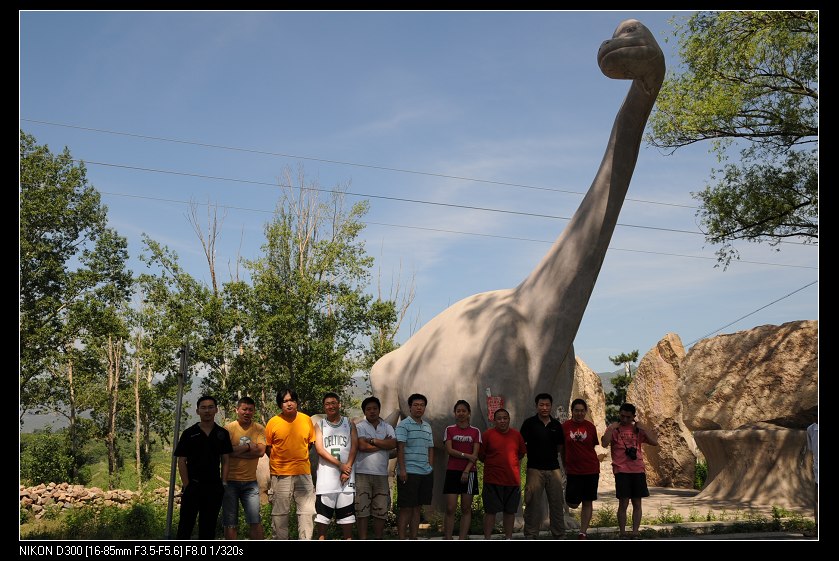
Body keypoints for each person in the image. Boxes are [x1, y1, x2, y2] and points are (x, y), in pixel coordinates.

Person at [175, 395, 233, 539]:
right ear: (197, 411)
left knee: (208, 528)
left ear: (216, 410)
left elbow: (226, 459)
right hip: (193, 486)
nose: (207, 411)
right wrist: (187, 485)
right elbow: (182, 461)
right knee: (185, 527)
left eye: (210, 407)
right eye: (203, 408)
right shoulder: (189, 434)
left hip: (214, 487)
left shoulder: (222, 434)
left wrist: (223, 482)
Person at [264, 388, 316, 540]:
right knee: (280, 515)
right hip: (280, 475)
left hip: (303, 473)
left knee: (307, 513)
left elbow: (309, 444)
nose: (288, 404)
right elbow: (269, 448)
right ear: (280, 404)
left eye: (291, 400)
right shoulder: (273, 422)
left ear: (296, 402)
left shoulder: (306, 420)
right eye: (285, 401)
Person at [601, 402, 658, 539]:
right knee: (623, 502)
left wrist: (643, 427)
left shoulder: (638, 430)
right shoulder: (614, 429)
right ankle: (622, 532)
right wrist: (610, 429)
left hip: (637, 469)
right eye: (622, 416)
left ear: (633, 417)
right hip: (621, 470)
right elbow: (604, 443)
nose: (624, 419)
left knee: (637, 502)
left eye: (628, 417)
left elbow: (654, 441)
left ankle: (635, 532)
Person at [519, 392, 567, 539]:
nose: (544, 408)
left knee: (557, 503)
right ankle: (531, 535)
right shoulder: (529, 423)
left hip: (554, 469)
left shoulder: (556, 425)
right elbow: (521, 444)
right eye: (541, 405)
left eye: (547, 405)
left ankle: (559, 534)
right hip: (534, 469)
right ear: (536, 406)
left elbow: (560, 447)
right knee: (532, 503)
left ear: (551, 406)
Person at [313, 392, 358, 540]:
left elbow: (354, 446)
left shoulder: (349, 423)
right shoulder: (320, 425)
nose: (331, 406)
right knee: (322, 522)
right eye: (327, 404)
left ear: (339, 404)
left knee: (347, 521)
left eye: (333, 403)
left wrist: (347, 468)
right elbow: (319, 449)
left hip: (346, 479)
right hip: (326, 479)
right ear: (324, 407)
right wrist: (341, 465)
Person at [222, 396, 266, 540]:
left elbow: (260, 452)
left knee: (255, 521)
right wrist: (248, 447)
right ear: (237, 410)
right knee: (230, 523)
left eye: (250, 410)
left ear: (254, 412)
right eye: (244, 409)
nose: (247, 412)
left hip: (250, 482)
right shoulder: (228, 429)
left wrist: (235, 452)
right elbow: (225, 452)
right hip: (229, 482)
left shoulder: (259, 429)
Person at [479, 408, 527, 540]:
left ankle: (508, 537)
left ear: (509, 420)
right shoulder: (487, 435)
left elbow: (522, 453)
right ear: (494, 421)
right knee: (490, 512)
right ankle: (487, 538)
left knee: (510, 511)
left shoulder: (516, 435)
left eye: (505, 418)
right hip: (492, 479)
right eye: (499, 418)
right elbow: (481, 455)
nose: (502, 421)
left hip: (512, 480)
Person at [354, 396, 397, 539]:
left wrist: (372, 441)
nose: (372, 411)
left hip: (381, 474)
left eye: (375, 408)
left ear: (379, 410)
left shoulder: (387, 427)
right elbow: (361, 446)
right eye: (368, 409)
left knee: (381, 510)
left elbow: (393, 444)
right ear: (364, 411)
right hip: (362, 474)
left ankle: (378, 538)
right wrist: (382, 444)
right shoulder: (359, 426)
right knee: (362, 509)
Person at [395, 393, 434, 539]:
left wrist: (430, 467)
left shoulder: (427, 426)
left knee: (418, 508)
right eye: (416, 405)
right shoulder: (403, 425)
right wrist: (402, 469)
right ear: (410, 407)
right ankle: (401, 538)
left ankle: (414, 537)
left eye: (422, 405)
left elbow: (431, 448)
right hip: (409, 472)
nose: (419, 408)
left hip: (425, 473)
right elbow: (400, 448)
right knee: (406, 508)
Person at [442, 400, 482, 540]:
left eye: (464, 411)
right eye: (458, 411)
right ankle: (448, 537)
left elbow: (475, 456)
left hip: (469, 473)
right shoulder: (449, 429)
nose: (461, 413)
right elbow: (449, 450)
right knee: (450, 508)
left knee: (466, 508)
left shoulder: (475, 431)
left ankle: (462, 537)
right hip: (452, 471)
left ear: (469, 413)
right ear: (455, 413)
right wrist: (466, 455)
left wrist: (466, 470)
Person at [561, 398, 600, 539]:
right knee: (572, 502)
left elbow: (592, 445)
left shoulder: (590, 427)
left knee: (587, 500)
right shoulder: (565, 427)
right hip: (573, 470)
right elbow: (562, 448)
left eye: (582, 411)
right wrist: (565, 464)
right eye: (576, 410)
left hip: (591, 469)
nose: (579, 413)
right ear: (572, 411)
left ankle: (583, 532)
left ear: (586, 412)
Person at [806, 419, 818, 535]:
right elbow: (810, 452)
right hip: (817, 470)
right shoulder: (811, 429)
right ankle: (817, 528)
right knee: (816, 500)